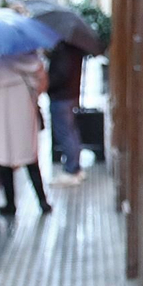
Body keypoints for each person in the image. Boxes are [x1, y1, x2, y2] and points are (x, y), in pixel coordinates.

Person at [0, 50, 52, 217]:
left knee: (4, 161)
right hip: (25, 118)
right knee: (31, 160)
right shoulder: (35, 65)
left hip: (1, 120)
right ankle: (43, 201)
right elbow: (42, 88)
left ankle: (10, 204)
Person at [46, 39, 86, 184]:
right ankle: (74, 166)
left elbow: (60, 75)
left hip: (62, 97)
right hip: (69, 95)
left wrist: (47, 83)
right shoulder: (74, 48)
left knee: (65, 132)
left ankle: (72, 168)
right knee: (70, 131)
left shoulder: (64, 51)